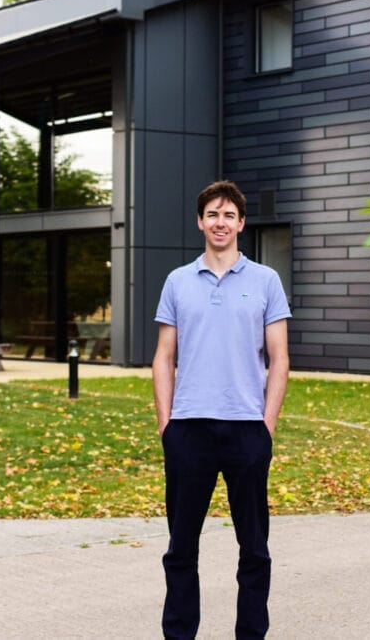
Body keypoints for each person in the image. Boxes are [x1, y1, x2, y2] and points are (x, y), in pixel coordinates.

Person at [152, 180, 291, 640]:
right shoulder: (177, 281)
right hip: (188, 431)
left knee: (254, 548)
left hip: (247, 430)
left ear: (241, 224)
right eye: (213, 213)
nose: (220, 222)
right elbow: (163, 357)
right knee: (180, 549)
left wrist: (266, 427)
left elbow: (280, 358)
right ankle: (179, 635)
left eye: (229, 215)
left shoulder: (265, 281)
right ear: (200, 221)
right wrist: (166, 426)